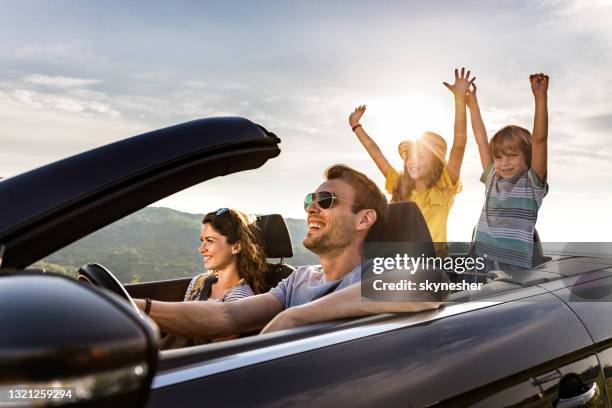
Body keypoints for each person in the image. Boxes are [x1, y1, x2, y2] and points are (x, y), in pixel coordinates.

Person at [135, 164, 443, 339]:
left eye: (327, 201)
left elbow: (427, 285)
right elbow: (226, 314)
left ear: (364, 218)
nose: (312, 208)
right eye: (311, 200)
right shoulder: (298, 281)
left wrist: (297, 317)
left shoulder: (377, 274)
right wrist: (138, 308)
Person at [348, 68, 473, 252]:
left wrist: (460, 99)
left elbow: (459, 143)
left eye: (421, 157)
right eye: (409, 157)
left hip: (432, 267)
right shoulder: (398, 183)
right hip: (398, 264)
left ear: (435, 162)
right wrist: (356, 126)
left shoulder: (445, 185)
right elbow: (376, 154)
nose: (413, 162)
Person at [467, 73, 550, 271]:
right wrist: (472, 105)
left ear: (527, 157)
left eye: (512, 155)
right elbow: (480, 139)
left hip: (513, 268)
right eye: (498, 157)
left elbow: (540, 139)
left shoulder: (532, 185)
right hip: (480, 260)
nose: (504, 163)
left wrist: (540, 98)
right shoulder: (492, 177)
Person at [160, 207, 267, 348]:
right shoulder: (198, 282)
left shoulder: (240, 297)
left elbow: (213, 354)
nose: (201, 248)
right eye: (202, 240)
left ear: (236, 246)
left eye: (210, 241)